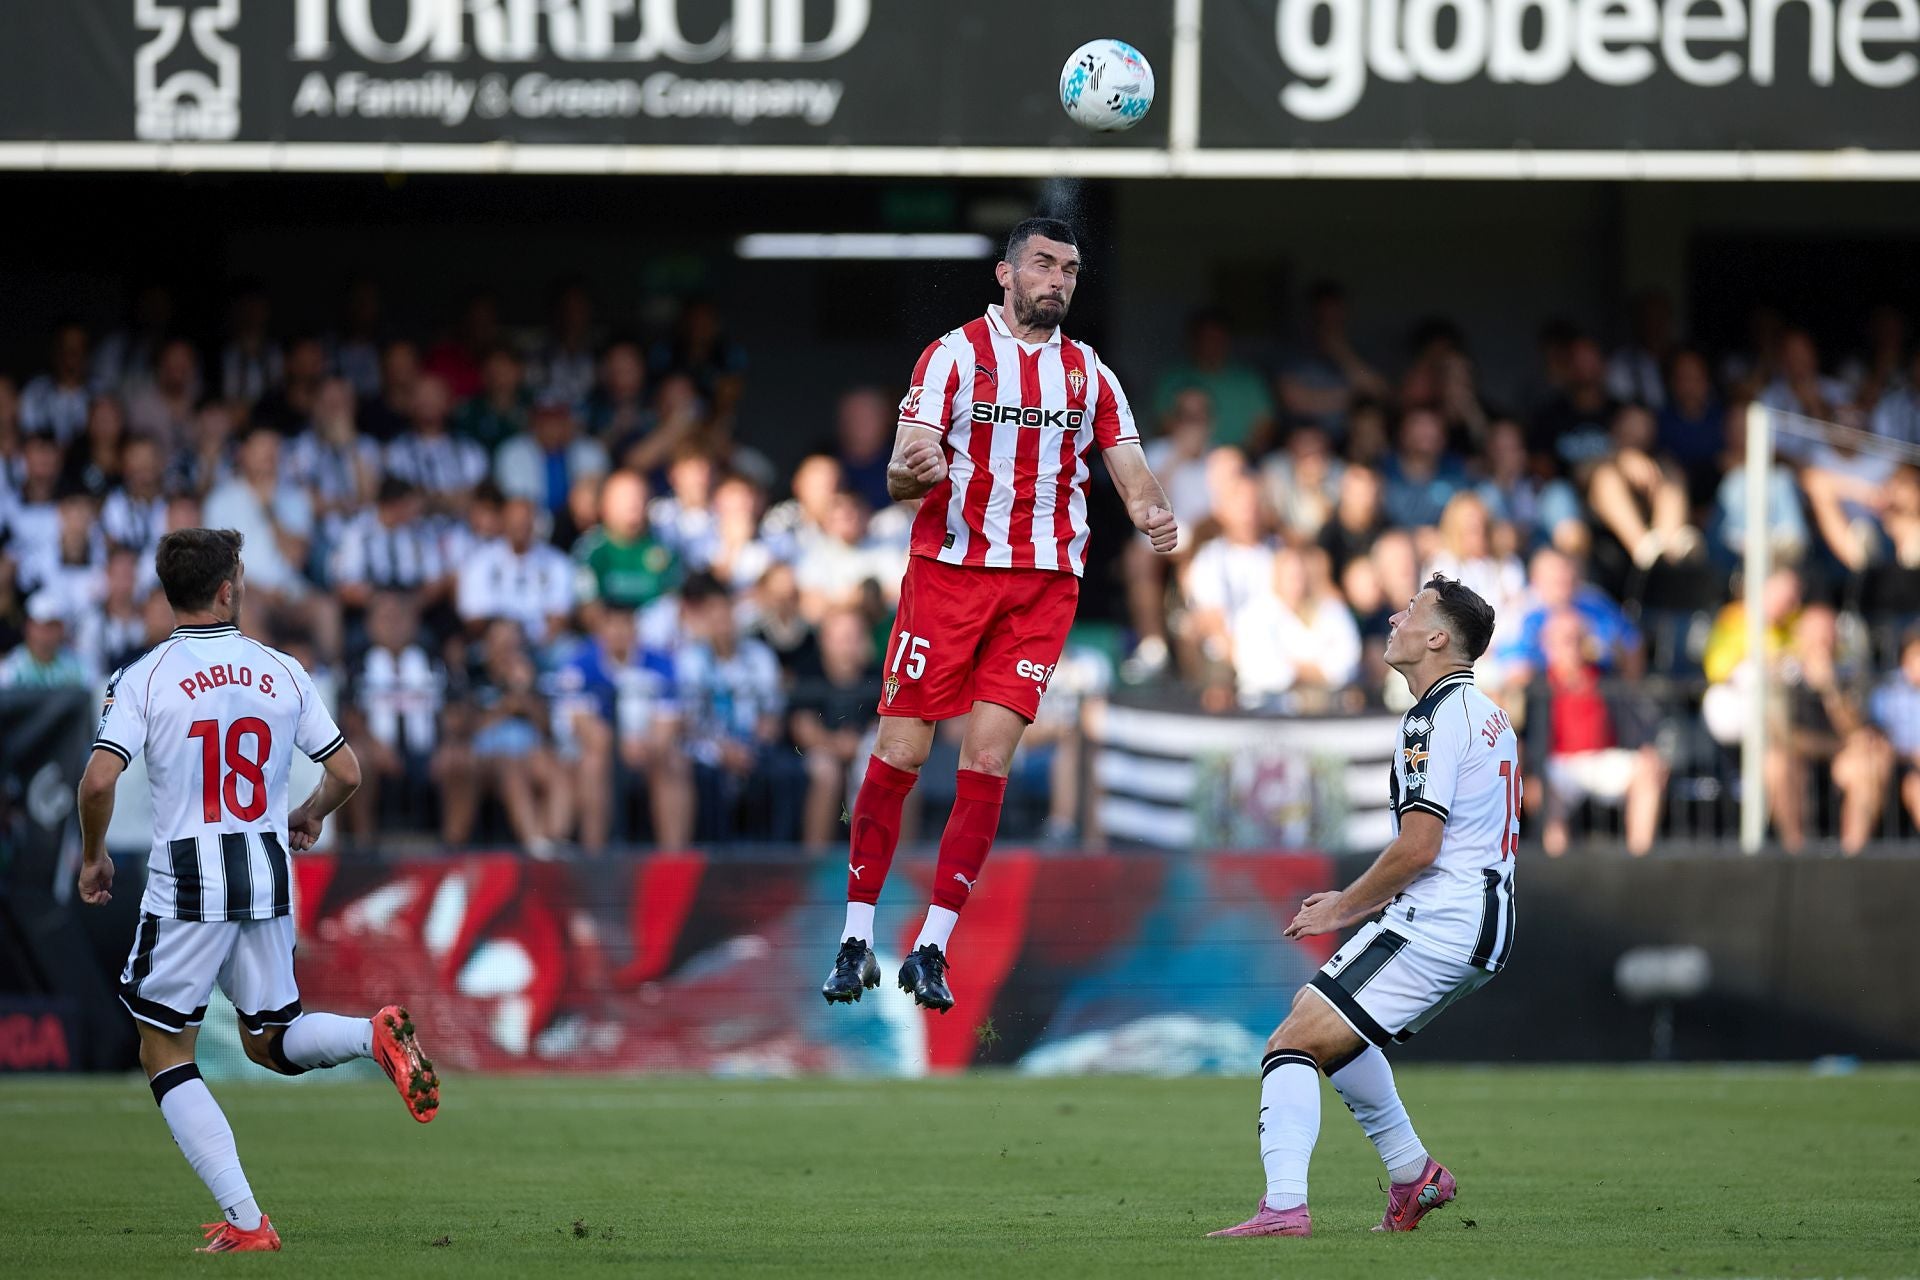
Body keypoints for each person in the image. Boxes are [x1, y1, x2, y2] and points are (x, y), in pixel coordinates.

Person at [817, 218, 1179, 1013]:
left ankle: (933, 947)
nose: (1059, 279)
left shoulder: (1090, 376)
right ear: (1006, 275)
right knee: (904, 751)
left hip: (1041, 588)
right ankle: (854, 933)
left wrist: (1156, 515)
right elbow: (901, 475)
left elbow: (1134, 474)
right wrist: (915, 470)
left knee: (987, 763)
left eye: (1072, 269)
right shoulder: (952, 357)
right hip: (947, 577)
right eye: (1044, 264)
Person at [75, 528, 438, 1256]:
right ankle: (371, 1035)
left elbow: (98, 779)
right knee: (270, 1041)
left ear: (168, 591)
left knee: (162, 1047)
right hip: (267, 867)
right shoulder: (282, 670)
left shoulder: (145, 676)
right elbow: (347, 773)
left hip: (189, 878)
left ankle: (247, 1222)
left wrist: (92, 859)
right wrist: (308, 815)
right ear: (227, 588)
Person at [1210, 574, 1513, 1240]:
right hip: (1475, 919)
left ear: (1437, 637)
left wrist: (1342, 907)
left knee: (1292, 1042)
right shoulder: (1485, 712)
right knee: (1330, 1032)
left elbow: (1420, 846)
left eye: (1413, 611)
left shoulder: (1434, 719)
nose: (1396, 618)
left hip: (1442, 918)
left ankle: (1285, 1208)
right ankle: (1412, 1176)